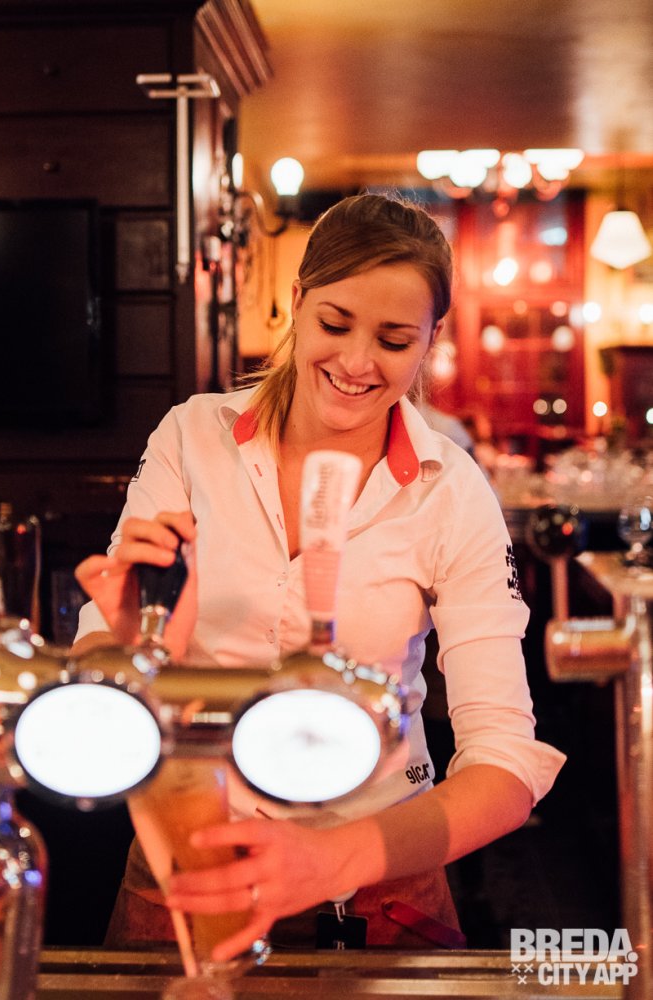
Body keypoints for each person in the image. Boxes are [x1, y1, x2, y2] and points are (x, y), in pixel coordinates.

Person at [73, 193, 565, 959]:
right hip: (188, 867)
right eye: (335, 324)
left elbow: (504, 761)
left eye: (393, 340)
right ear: (298, 302)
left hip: (382, 886)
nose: (357, 362)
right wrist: (130, 645)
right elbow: (98, 688)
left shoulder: (449, 488)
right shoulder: (193, 437)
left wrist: (336, 858)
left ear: (430, 339)